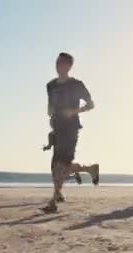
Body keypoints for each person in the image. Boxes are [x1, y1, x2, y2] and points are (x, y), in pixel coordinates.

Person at [41, 53, 100, 213]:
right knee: (56, 167)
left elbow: (91, 104)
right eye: (57, 62)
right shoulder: (50, 85)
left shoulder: (77, 84)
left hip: (71, 128)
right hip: (57, 128)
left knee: (61, 166)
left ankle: (53, 202)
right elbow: (50, 106)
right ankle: (90, 169)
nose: (57, 65)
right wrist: (51, 115)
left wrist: (74, 111)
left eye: (61, 63)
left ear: (68, 66)